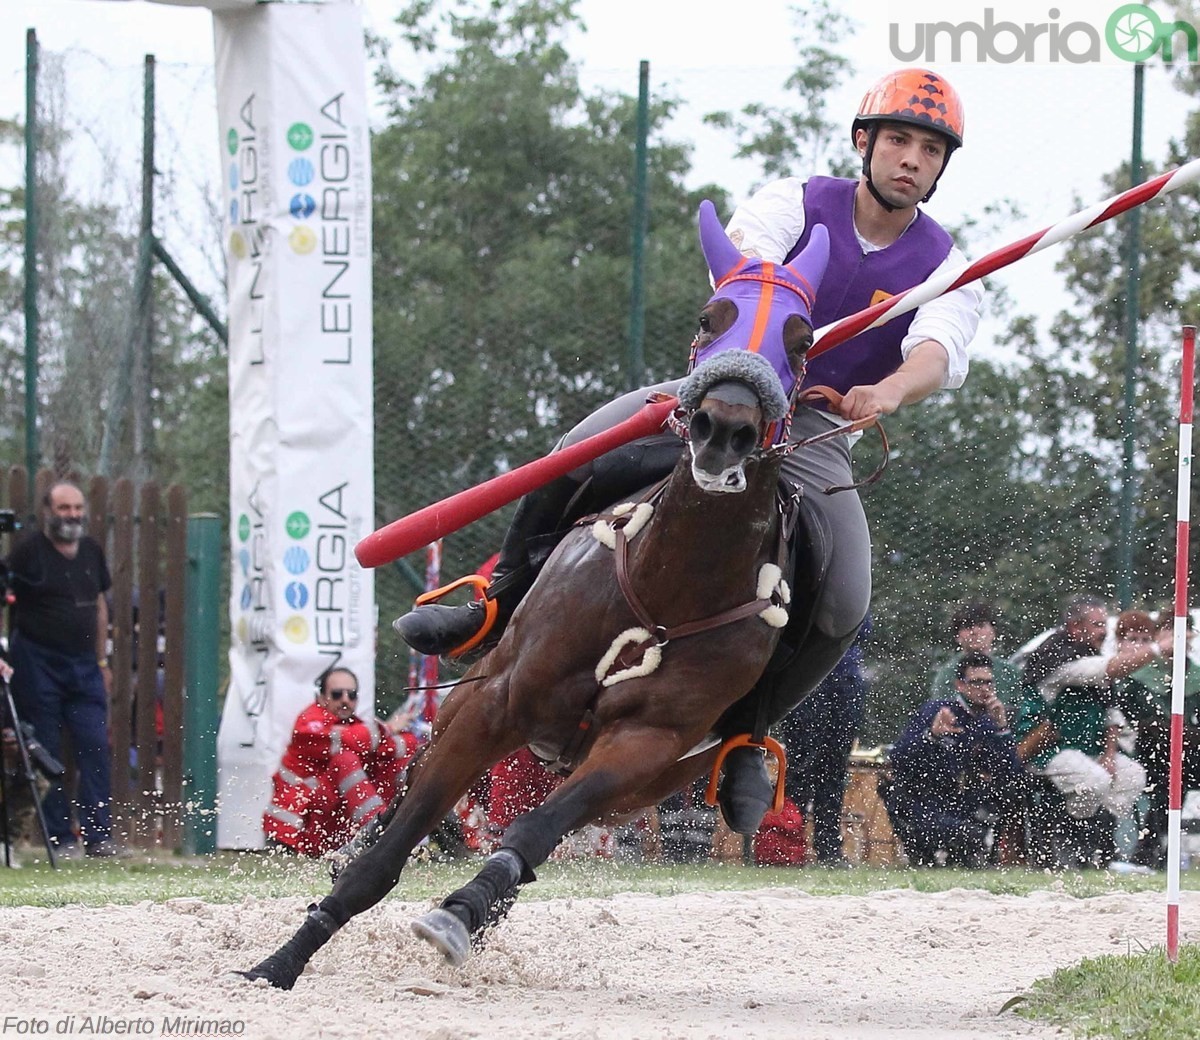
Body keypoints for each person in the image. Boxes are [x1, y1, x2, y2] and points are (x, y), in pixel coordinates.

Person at [395, 67, 984, 836]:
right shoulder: (793, 203)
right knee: (578, 450)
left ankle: (745, 732)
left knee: (844, 600)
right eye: (900, 139)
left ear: (941, 168)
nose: (912, 159)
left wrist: (890, 392)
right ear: (864, 142)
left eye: (931, 150)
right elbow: (744, 273)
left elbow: (938, 349)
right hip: (729, 388)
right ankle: (495, 599)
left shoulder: (950, 264)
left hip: (813, 428)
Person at [4, 480, 122, 858]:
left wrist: (103, 659)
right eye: (64, 508)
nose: (72, 515)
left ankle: (99, 836)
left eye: (76, 508)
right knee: (47, 751)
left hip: (85, 664)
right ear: (48, 512)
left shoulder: (90, 551)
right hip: (38, 662)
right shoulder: (27, 554)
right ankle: (61, 839)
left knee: (94, 745)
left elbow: (100, 604)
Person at [1014, 598, 1164, 865]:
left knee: (1132, 776)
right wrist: (1156, 648)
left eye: (1103, 624)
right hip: (1049, 749)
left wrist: (1108, 754)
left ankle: (1097, 841)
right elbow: (1109, 669)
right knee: (1094, 781)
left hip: (1089, 750)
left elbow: (1110, 714)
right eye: (1096, 624)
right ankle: (1066, 837)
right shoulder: (1058, 658)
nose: (1103, 631)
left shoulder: (1090, 654)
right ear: (1074, 627)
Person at [882, 652, 1024, 867]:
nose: (984, 689)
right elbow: (899, 758)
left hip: (965, 804)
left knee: (1002, 803)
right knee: (965, 835)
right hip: (925, 801)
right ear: (960, 685)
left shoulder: (990, 722)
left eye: (988, 682)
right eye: (976, 682)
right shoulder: (937, 711)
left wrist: (1003, 730)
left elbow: (1008, 773)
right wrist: (931, 736)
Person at [263, 667, 421, 857]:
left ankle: (418, 835)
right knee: (345, 760)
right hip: (300, 831)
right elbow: (351, 741)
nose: (345, 700)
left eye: (351, 694)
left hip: (334, 829)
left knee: (399, 763)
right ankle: (380, 836)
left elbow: (403, 746)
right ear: (321, 697)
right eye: (337, 694)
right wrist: (388, 728)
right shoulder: (308, 723)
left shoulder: (355, 725)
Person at [775, 617, 872, 866]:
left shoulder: (848, 582)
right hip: (806, 683)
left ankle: (827, 847)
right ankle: (787, 844)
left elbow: (862, 627)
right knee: (801, 769)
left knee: (833, 771)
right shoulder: (802, 584)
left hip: (842, 683)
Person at [1116, 609, 1200, 868]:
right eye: (1172, 632)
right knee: (1164, 779)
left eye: (1185, 632)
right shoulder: (1139, 676)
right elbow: (1134, 721)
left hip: (1190, 755)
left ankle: (1156, 848)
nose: (1180, 639)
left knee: (1182, 768)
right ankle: (1149, 849)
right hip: (1148, 754)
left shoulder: (1195, 676)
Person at [929, 601, 1023, 707]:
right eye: (968, 627)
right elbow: (942, 712)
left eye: (981, 625)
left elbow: (1022, 712)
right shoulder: (947, 674)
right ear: (957, 636)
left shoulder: (1010, 672)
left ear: (993, 632)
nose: (974, 631)